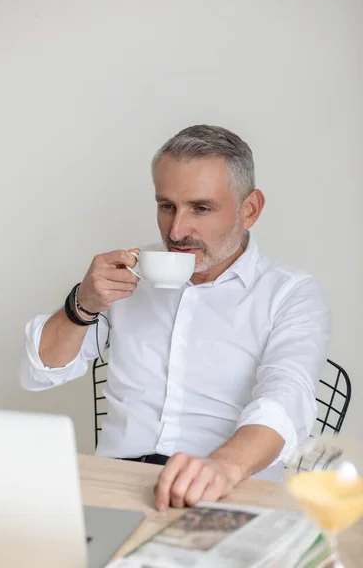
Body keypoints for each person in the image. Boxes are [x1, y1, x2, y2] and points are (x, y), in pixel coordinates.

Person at [20, 125, 331, 512]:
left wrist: (222, 467)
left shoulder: (290, 293)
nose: (177, 230)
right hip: (119, 483)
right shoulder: (130, 270)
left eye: (201, 208)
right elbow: (40, 372)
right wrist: (82, 302)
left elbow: (286, 397)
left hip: (228, 489)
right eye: (166, 206)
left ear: (249, 209)